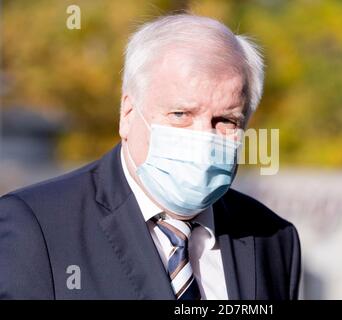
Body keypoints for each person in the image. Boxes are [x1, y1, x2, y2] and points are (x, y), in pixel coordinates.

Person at [0, 14, 301, 300]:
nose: (203, 137)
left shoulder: (272, 238)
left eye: (225, 120)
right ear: (128, 114)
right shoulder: (38, 227)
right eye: (180, 114)